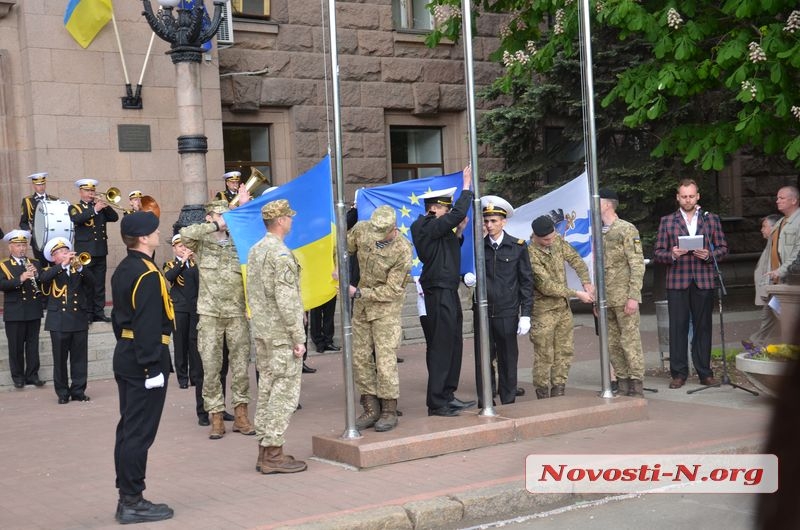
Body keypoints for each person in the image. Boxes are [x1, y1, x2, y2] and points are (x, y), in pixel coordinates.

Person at [111, 211, 174, 524]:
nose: (157, 232)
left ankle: (128, 494)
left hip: (127, 352)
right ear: (143, 237)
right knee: (138, 433)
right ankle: (132, 500)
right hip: (144, 357)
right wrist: (151, 368)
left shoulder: (126, 268)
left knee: (128, 429)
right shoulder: (146, 273)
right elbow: (147, 323)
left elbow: (119, 318)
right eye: (153, 229)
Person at [180, 200, 255, 439]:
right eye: (219, 216)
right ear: (210, 217)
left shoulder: (239, 242)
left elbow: (257, 233)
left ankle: (241, 414)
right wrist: (214, 226)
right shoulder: (202, 242)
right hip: (210, 314)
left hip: (236, 314)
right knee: (211, 367)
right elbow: (184, 233)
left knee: (241, 366)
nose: (225, 220)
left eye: (227, 216)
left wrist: (240, 213)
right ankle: (216, 417)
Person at [410, 165, 476, 417]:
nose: (450, 214)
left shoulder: (438, 230)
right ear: (434, 208)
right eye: (446, 210)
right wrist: (466, 186)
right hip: (437, 291)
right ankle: (436, 402)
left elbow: (447, 249)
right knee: (440, 345)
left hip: (449, 288)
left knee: (454, 343)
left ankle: (448, 394)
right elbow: (456, 213)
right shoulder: (424, 225)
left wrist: (458, 232)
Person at [247, 199, 307, 474]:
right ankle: (273, 453)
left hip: (262, 332)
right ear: (281, 221)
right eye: (289, 217)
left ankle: (265, 449)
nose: (291, 221)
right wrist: (299, 337)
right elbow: (287, 300)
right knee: (284, 394)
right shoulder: (280, 254)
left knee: (268, 391)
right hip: (281, 334)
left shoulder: (256, 250)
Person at [653, 178, 728, 389]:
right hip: (677, 281)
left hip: (704, 280)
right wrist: (672, 254)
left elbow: (723, 248)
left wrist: (708, 254)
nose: (688, 200)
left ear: (698, 196)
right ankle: (678, 373)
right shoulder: (667, 221)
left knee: (703, 328)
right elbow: (658, 253)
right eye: (684, 196)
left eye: (691, 196)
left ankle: (705, 372)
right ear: (678, 197)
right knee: (678, 328)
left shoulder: (710, 219)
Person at [347, 206, 412, 432]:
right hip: (363, 308)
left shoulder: (403, 249)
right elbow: (344, 247)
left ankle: (388, 410)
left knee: (385, 360)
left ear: (392, 229)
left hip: (386, 309)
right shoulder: (363, 230)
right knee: (360, 357)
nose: (375, 236)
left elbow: (392, 290)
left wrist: (359, 293)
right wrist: (338, 265)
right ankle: (370, 406)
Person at [474, 195, 533, 407]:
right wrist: (467, 277)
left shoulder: (516, 247)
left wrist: (526, 314)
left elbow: (526, 282)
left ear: (504, 222)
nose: (489, 225)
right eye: (486, 221)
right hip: (483, 312)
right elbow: (469, 272)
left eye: (494, 221)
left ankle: (509, 400)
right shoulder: (478, 248)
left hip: (507, 311)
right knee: (484, 359)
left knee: (508, 359)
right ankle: (486, 400)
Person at [528, 215, 594, 399]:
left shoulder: (557, 241)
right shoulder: (529, 253)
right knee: (544, 354)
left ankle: (559, 389)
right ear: (536, 236)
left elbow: (576, 260)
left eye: (552, 237)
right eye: (546, 239)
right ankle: (542, 392)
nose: (550, 242)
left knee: (564, 351)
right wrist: (577, 293)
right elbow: (546, 286)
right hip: (543, 311)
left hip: (563, 309)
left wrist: (586, 282)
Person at [598, 188, 646, 397]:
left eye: (597, 201)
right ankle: (622, 381)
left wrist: (633, 296)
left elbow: (637, 264)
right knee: (613, 344)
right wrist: (595, 301)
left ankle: (636, 383)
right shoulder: (598, 232)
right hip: (605, 299)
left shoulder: (626, 229)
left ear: (607, 204)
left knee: (630, 342)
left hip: (624, 296)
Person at [39, 237, 94, 404]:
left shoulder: (78, 269)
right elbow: (43, 279)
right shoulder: (51, 270)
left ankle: (78, 391)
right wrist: (62, 266)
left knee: (79, 359)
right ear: (54, 257)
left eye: (66, 251)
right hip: (59, 322)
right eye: (61, 253)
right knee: (60, 360)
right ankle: (62, 393)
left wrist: (81, 266)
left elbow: (93, 282)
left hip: (78, 319)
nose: (65, 254)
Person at [163, 234, 208, 426]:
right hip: (179, 308)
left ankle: (194, 376)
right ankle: (182, 376)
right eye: (179, 246)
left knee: (193, 342)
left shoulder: (195, 264)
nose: (183, 249)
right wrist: (182, 260)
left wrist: (193, 260)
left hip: (194, 308)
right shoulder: (170, 264)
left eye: (185, 246)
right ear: (174, 249)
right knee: (180, 342)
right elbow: (170, 277)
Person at [0, 230, 46, 388]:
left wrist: (37, 276)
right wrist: (20, 278)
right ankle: (18, 377)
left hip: (33, 309)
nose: (21, 249)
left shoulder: (35, 262)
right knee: (16, 346)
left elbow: (43, 284)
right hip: (15, 312)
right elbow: (2, 285)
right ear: (10, 247)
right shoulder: (4, 264)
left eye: (24, 245)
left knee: (33, 345)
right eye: (18, 245)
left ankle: (32, 375)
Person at [69, 178, 119, 322]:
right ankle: (88, 313)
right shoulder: (74, 207)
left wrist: (105, 205)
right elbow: (77, 219)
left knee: (99, 283)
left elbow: (114, 217)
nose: (91, 193)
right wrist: (95, 210)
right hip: (85, 252)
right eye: (87, 191)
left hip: (100, 250)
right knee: (86, 284)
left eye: (92, 190)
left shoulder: (99, 207)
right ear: (81, 192)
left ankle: (99, 312)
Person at [746, 214, 782, 349]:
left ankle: (755, 343)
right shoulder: (771, 242)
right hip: (771, 290)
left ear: (774, 227)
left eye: (764, 226)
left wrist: (768, 288)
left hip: (775, 289)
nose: (762, 230)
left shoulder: (777, 243)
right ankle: (755, 344)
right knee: (768, 319)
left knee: (781, 318)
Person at [19, 172, 57, 264]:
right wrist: (28, 231)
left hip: (52, 237)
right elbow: (23, 222)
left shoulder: (54, 199)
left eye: (43, 184)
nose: (41, 187)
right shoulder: (28, 201)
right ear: (33, 185)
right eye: (38, 184)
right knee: (41, 265)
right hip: (37, 238)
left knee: (55, 265)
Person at [767, 185, 800, 284]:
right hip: (778, 279)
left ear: (794, 201)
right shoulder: (780, 222)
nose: (777, 201)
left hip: (793, 280)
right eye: (777, 198)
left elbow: (798, 253)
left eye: (781, 198)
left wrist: (781, 271)